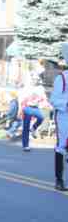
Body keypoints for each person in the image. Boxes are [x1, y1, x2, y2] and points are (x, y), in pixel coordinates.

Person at [50, 43, 68, 191]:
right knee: (62, 146)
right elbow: (54, 100)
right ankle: (59, 180)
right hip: (64, 117)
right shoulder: (62, 78)